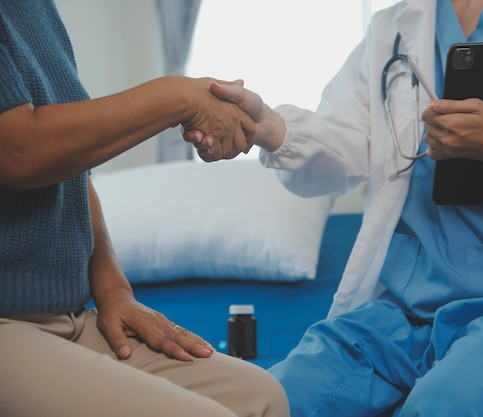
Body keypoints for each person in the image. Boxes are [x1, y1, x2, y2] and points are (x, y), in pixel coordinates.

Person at [193, 0, 483, 416]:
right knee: (278, 396)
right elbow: (343, 142)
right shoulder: (393, 27)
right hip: (402, 309)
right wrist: (265, 125)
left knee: (449, 404)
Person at [0, 2, 289, 417]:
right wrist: (180, 97)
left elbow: (75, 169)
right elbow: (19, 150)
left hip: (72, 316)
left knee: (263, 396)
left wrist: (115, 291)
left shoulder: (36, 10)